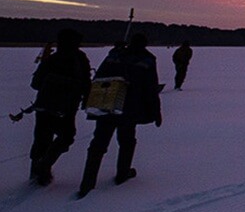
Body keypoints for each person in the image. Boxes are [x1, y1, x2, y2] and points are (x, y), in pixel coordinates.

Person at [77, 33, 163, 198]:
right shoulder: (145, 60)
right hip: (125, 108)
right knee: (124, 141)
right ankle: (120, 174)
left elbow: (99, 77)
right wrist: (155, 111)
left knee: (101, 143)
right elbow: (151, 89)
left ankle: (88, 182)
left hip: (110, 106)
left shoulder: (116, 55)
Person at [28, 28, 91, 185]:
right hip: (66, 107)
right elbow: (86, 83)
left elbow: (35, 84)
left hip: (43, 105)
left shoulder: (51, 59)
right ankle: (44, 166)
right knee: (66, 136)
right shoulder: (79, 58)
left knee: (41, 139)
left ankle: (37, 174)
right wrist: (86, 99)